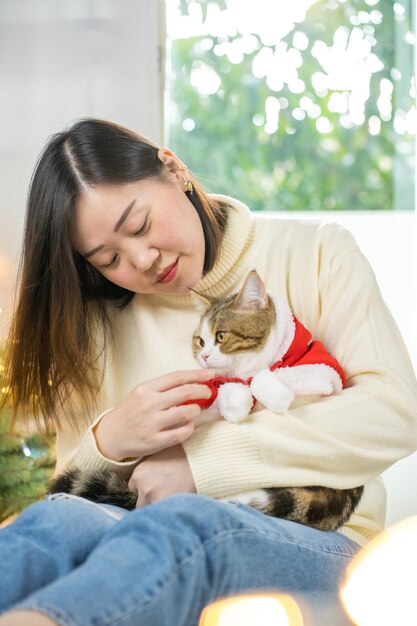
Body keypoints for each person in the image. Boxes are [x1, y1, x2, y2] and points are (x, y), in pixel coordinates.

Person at [0, 118, 416, 626]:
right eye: (109, 258)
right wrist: (107, 440)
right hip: (136, 539)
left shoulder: (317, 251)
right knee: (52, 525)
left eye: (141, 226)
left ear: (174, 170)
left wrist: (200, 465)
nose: (142, 260)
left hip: (319, 539)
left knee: (184, 526)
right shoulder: (100, 320)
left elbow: (395, 409)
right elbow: (69, 493)